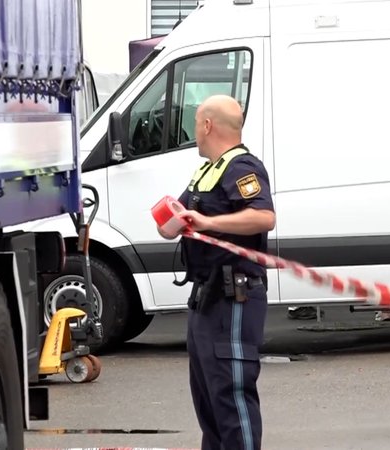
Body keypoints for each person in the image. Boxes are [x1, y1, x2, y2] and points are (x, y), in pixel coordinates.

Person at [157, 94, 275, 450]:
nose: (194, 130)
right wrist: (171, 222)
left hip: (233, 300)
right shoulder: (209, 170)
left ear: (208, 125)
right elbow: (174, 221)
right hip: (206, 300)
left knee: (231, 398)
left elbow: (264, 216)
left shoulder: (242, 168)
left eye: (195, 123)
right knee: (208, 400)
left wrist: (208, 221)